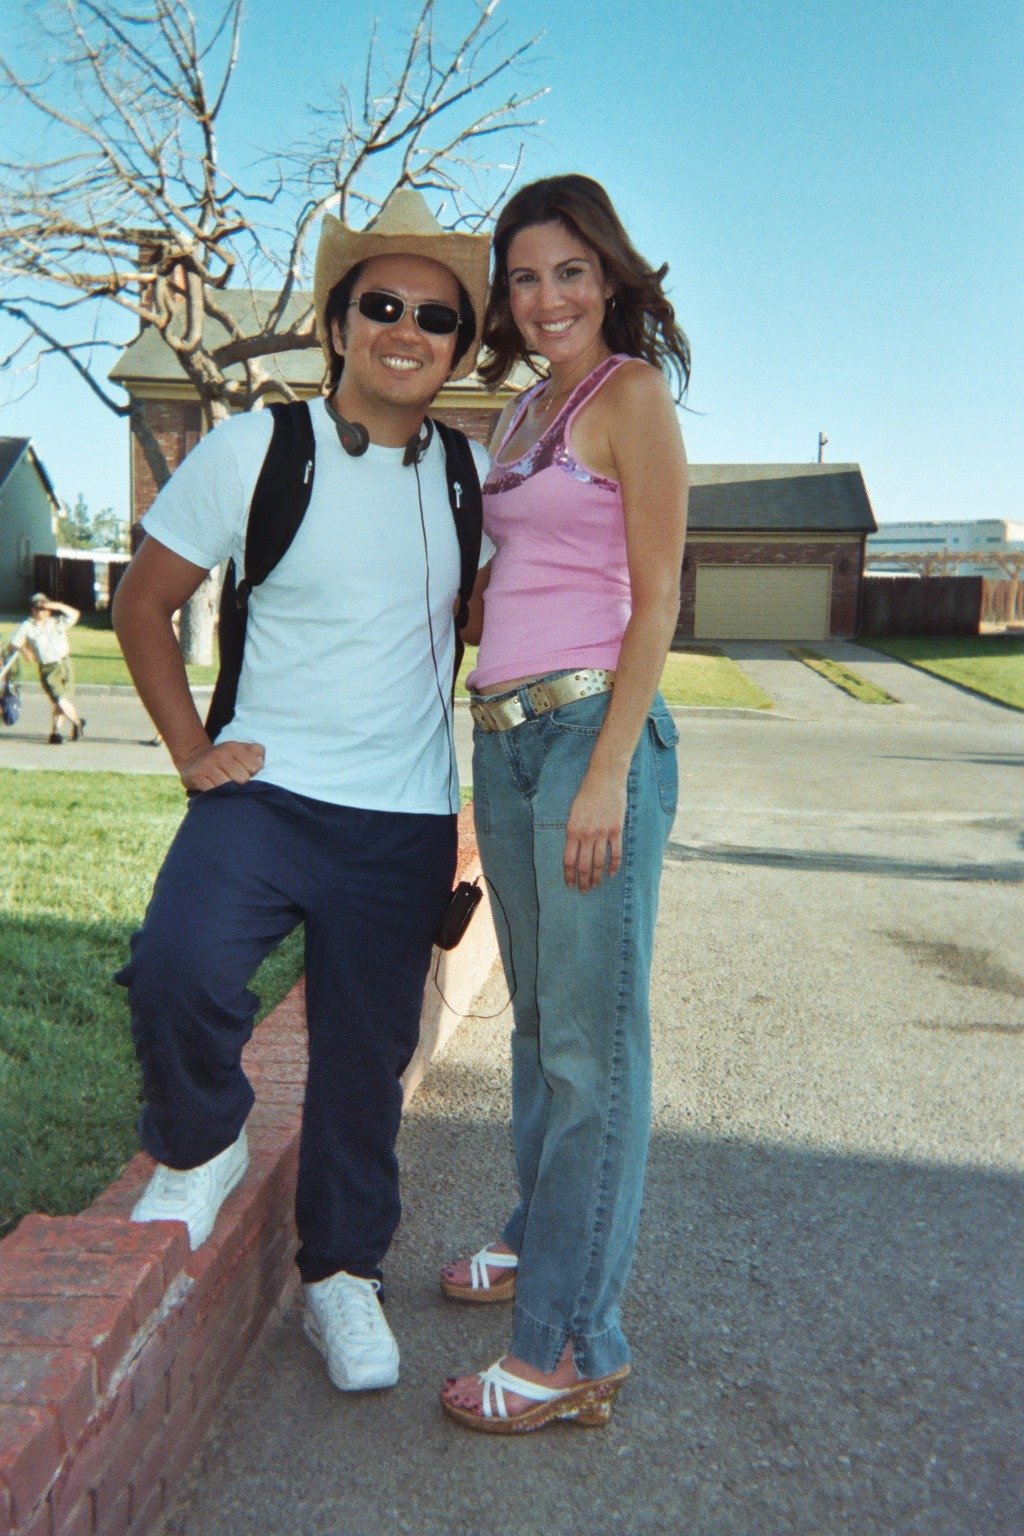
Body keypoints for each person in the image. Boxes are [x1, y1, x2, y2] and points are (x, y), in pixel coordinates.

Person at [112, 188, 491, 1394]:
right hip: (266, 794)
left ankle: (341, 1279)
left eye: (434, 316)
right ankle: (199, 1144)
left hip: (402, 818)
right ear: (338, 324)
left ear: (457, 348)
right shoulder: (255, 449)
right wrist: (189, 750)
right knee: (179, 965)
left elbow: (487, 619)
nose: (406, 329)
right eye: (381, 304)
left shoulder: (468, 479)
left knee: (362, 1061)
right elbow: (142, 605)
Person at [439, 174, 690, 1433]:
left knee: (595, 1049)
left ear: (613, 277)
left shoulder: (630, 397)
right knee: (543, 1030)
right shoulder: (518, 411)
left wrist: (607, 769)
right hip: (507, 735)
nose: (546, 299)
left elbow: (657, 601)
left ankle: (573, 1346)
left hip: (595, 730)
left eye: (570, 273)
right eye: (525, 276)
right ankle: (541, 1243)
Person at [2, 593, 86, 743]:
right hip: (48, 668)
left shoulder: (56, 622)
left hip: (65, 664)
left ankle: (56, 733)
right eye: (37, 608)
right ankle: (78, 723)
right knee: (59, 699)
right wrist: (25, 649)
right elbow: (14, 644)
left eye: (43, 608)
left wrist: (57, 605)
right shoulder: (27, 626)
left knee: (61, 700)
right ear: (32, 610)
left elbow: (75, 615)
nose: (41, 611)